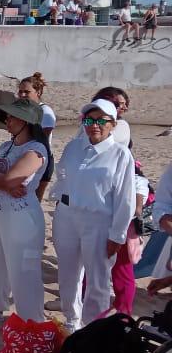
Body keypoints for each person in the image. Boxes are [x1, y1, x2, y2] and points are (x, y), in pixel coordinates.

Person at [50, 99, 136, 331]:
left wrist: (117, 235)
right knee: (68, 273)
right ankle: (71, 321)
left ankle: (93, 327)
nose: (94, 125)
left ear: (113, 124)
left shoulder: (120, 155)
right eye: (89, 120)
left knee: (98, 279)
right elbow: (63, 177)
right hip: (67, 217)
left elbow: (125, 199)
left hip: (99, 222)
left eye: (101, 120)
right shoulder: (73, 147)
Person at [0, 99, 49, 323]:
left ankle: (31, 321)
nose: (7, 120)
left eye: (13, 116)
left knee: (23, 271)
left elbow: (11, 179)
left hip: (21, 216)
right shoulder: (5, 146)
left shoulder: (36, 150)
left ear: (27, 121)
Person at [110, 161, 151, 315]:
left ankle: (123, 309)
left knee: (122, 271)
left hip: (125, 232)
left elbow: (137, 209)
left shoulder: (137, 181)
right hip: (115, 229)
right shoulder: (133, 179)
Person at [16, 72, 57, 200]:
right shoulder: (22, 110)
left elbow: (41, 138)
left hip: (39, 158)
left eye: (26, 92)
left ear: (38, 92)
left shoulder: (45, 112)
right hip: (22, 155)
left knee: (32, 200)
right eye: (20, 91)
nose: (22, 95)